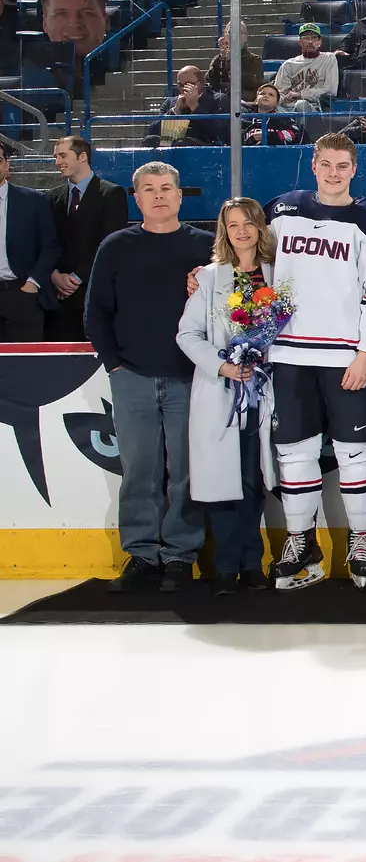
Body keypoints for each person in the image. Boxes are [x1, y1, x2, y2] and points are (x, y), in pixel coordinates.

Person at [258, 135, 366, 591]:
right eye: (326, 164)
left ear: (354, 169)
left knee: (357, 456)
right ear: (314, 165)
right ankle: (300, 540)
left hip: (347, 359)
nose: (334, 173)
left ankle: (361, 539)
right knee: (295, 455)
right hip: (288, 356)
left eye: (343, 165)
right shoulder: (282, 209)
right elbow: (255, 270)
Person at [85, 162, 215, 594]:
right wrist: (114, 365)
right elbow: (96, 312)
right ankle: (141, 552)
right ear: (136, 198)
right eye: (149, 189)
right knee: (138, 469)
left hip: (188, 378)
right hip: (132, 377)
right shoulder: (116, 246)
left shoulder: (206, 247)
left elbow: (233, 307)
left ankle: (180, 555)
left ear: (180, 196)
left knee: (184, 470)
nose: (159, 195)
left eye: (166, 188)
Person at [176, 198, 278, 596]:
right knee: (222, 484)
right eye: (232, 224)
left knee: (252, 483)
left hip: (261, 393)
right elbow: (187, 335)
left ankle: (252, 565)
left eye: (248, 223)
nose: (241, 231)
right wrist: (224, 367)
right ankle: (224, 569)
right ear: (224, 230)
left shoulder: (277, 275)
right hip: (222, 391)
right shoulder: (208, 278)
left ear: (259, 227)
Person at [45, 136, 126, 342]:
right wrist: (55, 276)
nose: (57, 162)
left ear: (82, 157)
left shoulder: (111, 194)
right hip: (58, 297)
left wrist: (75, 278)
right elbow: (47, 242)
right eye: (55, 157)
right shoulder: (51, 197)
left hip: (94, 293)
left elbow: (109, 244)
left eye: (63, 156)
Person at [0, 147, 59, 342]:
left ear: (7, 164)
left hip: (22, 294)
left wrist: (32, 284)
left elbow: (50, 246)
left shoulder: (32, 200)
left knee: (24, 368)